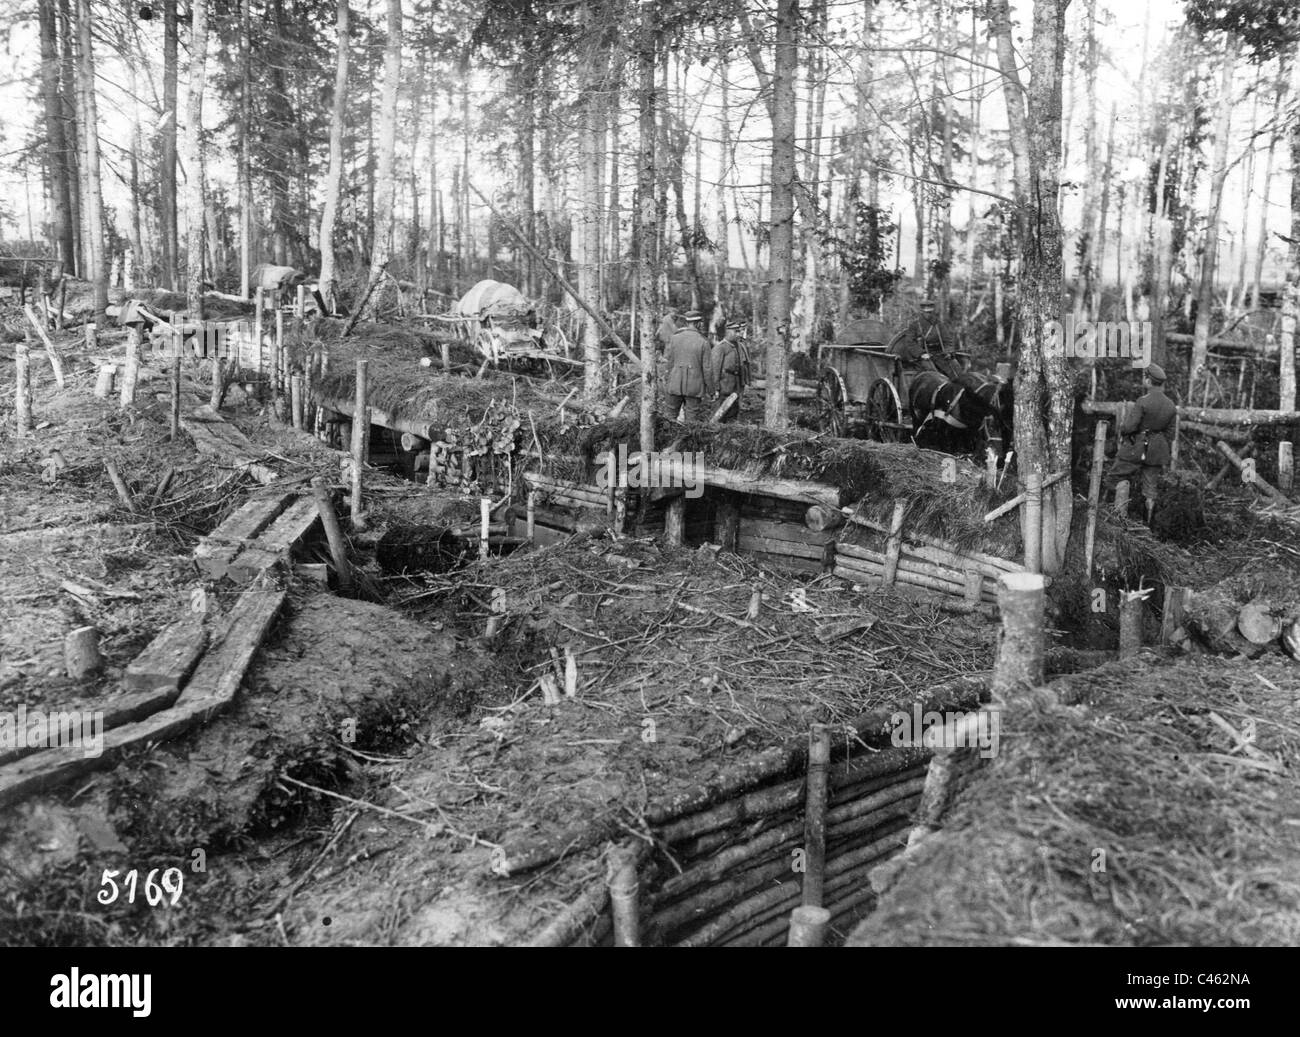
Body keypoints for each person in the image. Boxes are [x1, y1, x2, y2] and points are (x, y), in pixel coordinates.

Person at [1105, 363, 1176, 525]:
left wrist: (1123, 430)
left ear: (1149, 381)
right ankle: (1147, 526)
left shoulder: (1143, 401)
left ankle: (1112, 519)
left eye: (1145, 377)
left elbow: (1129, 427)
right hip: (1157, 451)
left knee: (1115, 477)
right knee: (1150, 489)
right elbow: (1170, 434)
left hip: (1136, 448)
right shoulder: (1171, 405)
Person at [890, 298, 961, 380]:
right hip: (922, 356)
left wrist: (948, 351)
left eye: (930, 312)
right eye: (926, 312)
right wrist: (921, 354)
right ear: (922, 312)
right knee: (934, 374)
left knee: (955, 367)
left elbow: (948, 340)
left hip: (939, 353)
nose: (929, 315)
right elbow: (910, 342)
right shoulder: (915, 325)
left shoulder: (938, 324)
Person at [662, 309, 710, 421]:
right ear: (698, 323)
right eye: (701, 323)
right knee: (691, 422)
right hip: (694, 387)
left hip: (674, 384)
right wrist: (711, 391)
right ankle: (687, 439)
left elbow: (669, 363)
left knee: (669, 419)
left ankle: (667, 438)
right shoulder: (704, 342)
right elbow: (707, 369)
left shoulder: (675, 338)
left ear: (687, 323)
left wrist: (667, 380)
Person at [710, 320, 752, 423]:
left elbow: (743, 366)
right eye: (735, 331)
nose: (738, 334)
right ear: (728, 332)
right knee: (719, 414)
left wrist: (743, 383)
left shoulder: (738, 346)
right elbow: (715, 370)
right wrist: (715, 388)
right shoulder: (720, 347)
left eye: (739, 331)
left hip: (735, 386)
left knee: (733, 413)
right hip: (724, 386)